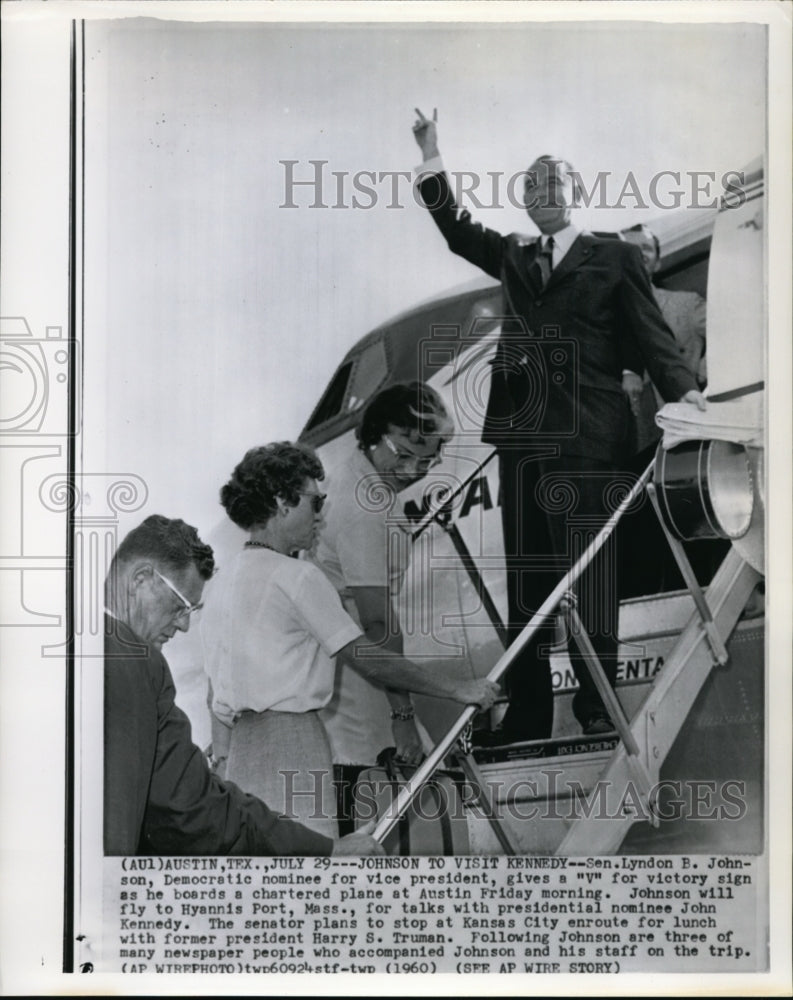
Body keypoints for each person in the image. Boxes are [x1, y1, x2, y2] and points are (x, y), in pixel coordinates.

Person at [411, 108, 706, 743]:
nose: (540, 197)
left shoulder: (615, 256)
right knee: (529, 584)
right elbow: (457, 230)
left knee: (591, 576)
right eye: (529, 190)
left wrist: (686, 396)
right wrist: (432, 154)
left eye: (551, 187)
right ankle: (529, 712)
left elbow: (654, 339)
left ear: (571, 194)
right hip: (520, 442)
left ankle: (597, 704)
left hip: (589, 440)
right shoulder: (514, 257)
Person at [201, 443, 499, 834]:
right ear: (282, 502)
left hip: (240, 756)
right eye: (315, 501)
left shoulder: (220, 585)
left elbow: (213, 697)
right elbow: (368, 657)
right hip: (294, 744)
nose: (320, 515)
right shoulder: (298, 577)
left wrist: (223, 762)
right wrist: (457, 689)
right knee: (310, 873)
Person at [104, 513, 384, 856]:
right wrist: (326, 848)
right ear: (142, 579)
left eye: (192, 611)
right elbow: (191, 808)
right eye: (180, 607)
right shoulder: (136, 662)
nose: (184, 626)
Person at [314, 382, 471, 828]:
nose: (414, 470)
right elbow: (379, 621)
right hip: (359, 675)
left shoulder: (365, 480)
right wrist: (402, 715)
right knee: (366, 808)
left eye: (428, 459)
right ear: (373, 435)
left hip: (356, 668)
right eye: (403, 453)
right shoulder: (363, 503)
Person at [620, 223, 708, 454]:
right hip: (632, 445)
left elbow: (733, 332)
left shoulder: (687, 304)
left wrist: (706, 371)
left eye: (645, 248)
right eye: (629, 249)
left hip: (689, 435)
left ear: (658, 262)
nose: (638, 254)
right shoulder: (603, 318)